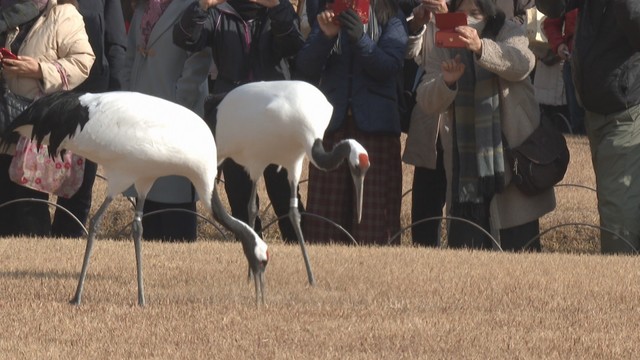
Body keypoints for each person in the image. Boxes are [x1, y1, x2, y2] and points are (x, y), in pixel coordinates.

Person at [414, 0, 555, 251]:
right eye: (462, 14)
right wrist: (446, 83)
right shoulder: (443, 42)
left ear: (488, 13)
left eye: (475, 14)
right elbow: (425, 97)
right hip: (464, 174)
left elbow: (525, 59)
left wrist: (480, 48)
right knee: (466, 255)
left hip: (512, 162)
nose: (468, 21)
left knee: (520, 254)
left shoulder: (510, 29)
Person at [173, 0, 305, 243]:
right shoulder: (221, 12)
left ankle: (300, 253)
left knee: (285, 195)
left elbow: (293, 44)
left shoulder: (277, 10)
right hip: (235, 117)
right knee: (241, 200)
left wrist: (276, 7)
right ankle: (251, 256)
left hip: (274, 118)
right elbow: (185, 38)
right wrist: (201, 6)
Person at [295, 0, 408, 245]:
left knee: (375, 222)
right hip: (333, 128)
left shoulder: (391, 15)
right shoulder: (329, 14)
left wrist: (361, 38)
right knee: (325, 221)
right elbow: (304, 67)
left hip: (376, 130)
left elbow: (389, 66)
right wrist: (325, 37)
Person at [536, 0, 640, 254]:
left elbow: (635, 21)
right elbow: (553, 7)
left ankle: (619, 286)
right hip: (595, 111)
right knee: (612, 203)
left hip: (626, 112)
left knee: (618, 213)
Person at [0, 0, 95, 237]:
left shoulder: (63, 14)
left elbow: (83, 61)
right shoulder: (5, 11)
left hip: (30, 128)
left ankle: (29, 264)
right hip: (3, 119)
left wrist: (39, 70)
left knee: (27, 207)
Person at [121, 0, 212, 242]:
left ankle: (179, 263)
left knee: (175, 194)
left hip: (177, 113)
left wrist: (179, 101)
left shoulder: (195, 5)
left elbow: (199, 60)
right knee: (147, 192)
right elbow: (131, 54)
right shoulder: (143, 6)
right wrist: (129, 93)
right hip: (142, 111)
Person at [50, 0, 128, 238]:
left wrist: (117, 93)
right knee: (33, 170)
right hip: (45, 91)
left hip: (89, 97)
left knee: (81, 179)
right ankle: (36, 232)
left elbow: (115, 43)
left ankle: (67, 238)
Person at [542, 8, 584, 135]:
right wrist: (559, 44)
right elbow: (551, 23)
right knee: (578, 122)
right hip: (574, 63)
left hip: (607, 67)